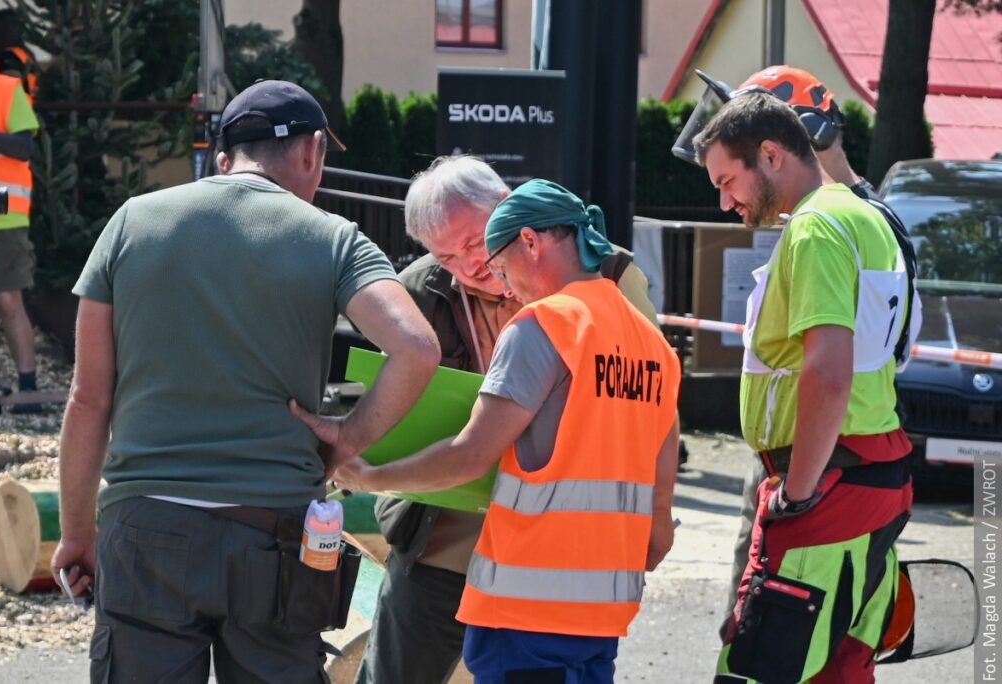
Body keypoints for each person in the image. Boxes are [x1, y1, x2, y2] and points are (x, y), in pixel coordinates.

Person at [49, 79, 441, 684]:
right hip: (275, 539)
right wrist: (347, 439)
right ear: (312, 152)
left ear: (224, 156)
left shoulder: (132, 222)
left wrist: (78, 531)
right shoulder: (332, 237)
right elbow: (415, 349)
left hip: (147, 529)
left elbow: (88, 396)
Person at [295, 178, 683, 684]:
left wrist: (370, 477)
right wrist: (656, 523)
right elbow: (662, 445)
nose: (499, 281)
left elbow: (470, 455)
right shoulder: (650, 342)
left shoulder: (543, 324)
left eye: (497, 263)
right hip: (604, 601)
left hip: (527, 601)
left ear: (529, 241)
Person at [694, 93, 914, 683]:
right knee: (840, 667)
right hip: (871, 470)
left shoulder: (814, 228)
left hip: (828, 481)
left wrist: (796, 490)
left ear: (770, 154)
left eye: (727, 180)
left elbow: (829, 369)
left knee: (760, 667)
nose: (724, 201)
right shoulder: (865, 214)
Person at [0, 19, 40, 413]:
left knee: (8, 301)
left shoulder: (5, 88)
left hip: (3, 216)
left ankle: (28, 387)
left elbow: (25, 148)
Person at [0, 9, 37, 100]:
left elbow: (10, 92)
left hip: (13, 110)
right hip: (29, 109)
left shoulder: (8, 58)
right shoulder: (24, 53)